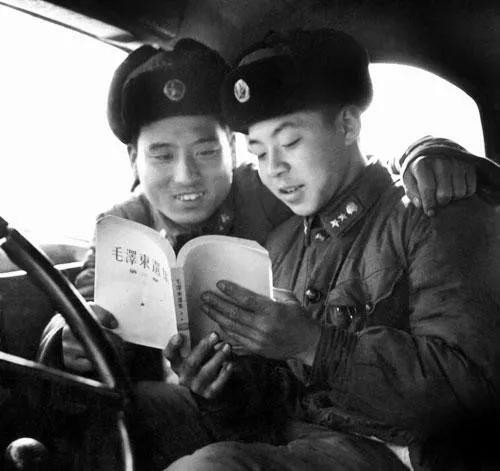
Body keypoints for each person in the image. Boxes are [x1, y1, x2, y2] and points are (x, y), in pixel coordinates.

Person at [37, 39, 492, 384]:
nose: (185, 176)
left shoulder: (272, 192)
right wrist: (66, 341)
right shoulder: (124, 226)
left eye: (206, 152)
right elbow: (80, 307)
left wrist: (425, 152)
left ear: (232, 149)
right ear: (133, 159)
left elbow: (357, 178)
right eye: (161, 155)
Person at [158, 29, 500, 470]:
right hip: (299, 441)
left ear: (348, 126)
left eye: (290, 143)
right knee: (142, 407)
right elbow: (273, 405)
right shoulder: (282, 246)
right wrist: (217, 388)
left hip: (399, 453)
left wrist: (315, 344)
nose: (274, 168)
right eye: (259, 153)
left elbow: (467, 389)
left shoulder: (428, 212)